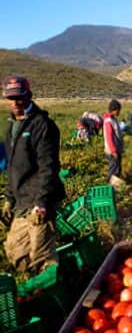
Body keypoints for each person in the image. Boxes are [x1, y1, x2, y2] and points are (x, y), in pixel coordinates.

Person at [1, 76, 66, 274]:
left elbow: (48, 166)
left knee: (41, 255)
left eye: (19, 97)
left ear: (28, 96)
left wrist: (42, 202)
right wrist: (8, 199)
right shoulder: (11, 126)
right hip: (22, 200)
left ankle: (55, 297)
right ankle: (34, 288)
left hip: (39, 200)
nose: (15, 102)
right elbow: (13, 167)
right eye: (11, 99)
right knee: (16, 251)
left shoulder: (42, 125)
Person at [103, 99, 125, 188]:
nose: (119, 112)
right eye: (119, 110)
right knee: (113, 170)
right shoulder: (108, 121)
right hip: (112, 151)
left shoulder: (113, 119)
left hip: (116, 150)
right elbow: (109, 138)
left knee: (117, 168)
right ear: (114, 110)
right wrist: (114, 151)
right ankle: (110, 188)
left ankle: (116, 187)